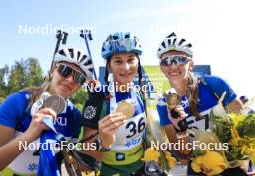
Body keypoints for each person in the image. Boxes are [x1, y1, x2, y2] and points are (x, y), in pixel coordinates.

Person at [0, 47, 97, 175]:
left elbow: (69, 164)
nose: (70, 79)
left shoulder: (74, 116)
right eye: (65, 70)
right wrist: (30, 135)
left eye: (79, 78)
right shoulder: (17, 102)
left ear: (80, 85)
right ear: (53, 70)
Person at [156, 32, 248, 175]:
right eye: (166, 61)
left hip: (229, 163)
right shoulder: (163, 104)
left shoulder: (214, 84)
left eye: (180, 59)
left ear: (191, 64)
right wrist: (180, 128)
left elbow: (242, 131)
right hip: (198, 167)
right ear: (161, 68)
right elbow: (184, 156)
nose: (173, 65)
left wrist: (225, 158)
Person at [81, 32, 148, 176]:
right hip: (110, 171)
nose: (125, 67)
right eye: (118, 61)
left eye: (131, 60)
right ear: (109, 67)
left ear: (138, 63)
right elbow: (85, 160)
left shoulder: (141, 94)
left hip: (142, 167)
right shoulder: (98, 99)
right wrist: (104, 141)